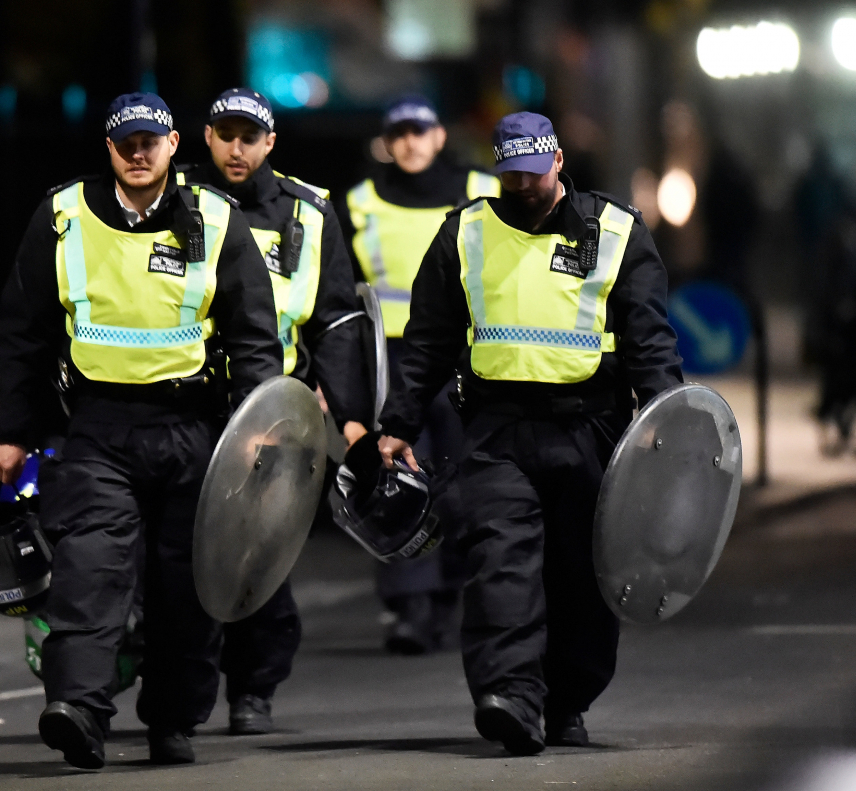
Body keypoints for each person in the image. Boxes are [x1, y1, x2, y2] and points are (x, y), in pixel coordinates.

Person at [0, 92, 282, 769]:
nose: (139, 154)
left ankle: (173, 718)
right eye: (127, 144)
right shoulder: (62, 217)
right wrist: (10, 431)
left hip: (193, 428)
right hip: (98, 428)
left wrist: (259, 427)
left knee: (186, 584)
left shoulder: (215, 218)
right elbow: (23, 335)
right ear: (109, 148)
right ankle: (78, 710)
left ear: (175, 144)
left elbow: (253, 336)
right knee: (90, 570)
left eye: (151, 142)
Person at [376, 112, 682, 754]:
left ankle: (567, 699)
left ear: (559, 161)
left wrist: (665, 421)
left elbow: (648, 337)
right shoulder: (465, 232)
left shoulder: (616, 230)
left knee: (583, 576)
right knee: (499, 563)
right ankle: (511, 695)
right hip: (496, 432)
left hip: (591, 430)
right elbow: (427, 339)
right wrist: (398, 423)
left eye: (533, 173)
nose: (522, 186)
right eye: (510, 175)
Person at [180, 87, 372, 735]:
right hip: (190, 406)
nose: (237, 149)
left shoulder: (308, 214)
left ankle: (253, 689)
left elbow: (338, 320)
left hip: (273, 413)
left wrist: (346, 415)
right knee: (184, 555)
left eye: (250, 137)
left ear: (270, 143)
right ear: (206, 137)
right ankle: (185, 689)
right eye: (226, 134)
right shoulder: (174, 199)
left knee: (261, 556)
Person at [335, 94, 499, 655]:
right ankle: (408, 606)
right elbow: (342, 295)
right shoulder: (358, 202)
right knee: (394, 484)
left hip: (464, 357)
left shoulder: (483, 190)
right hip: (391, 361)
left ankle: (451, 593)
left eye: (419, 131)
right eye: (399, 132)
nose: (409, 142)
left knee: (460, 481)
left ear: (438, 136)